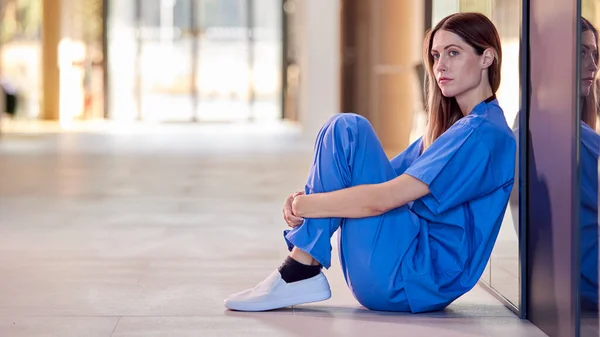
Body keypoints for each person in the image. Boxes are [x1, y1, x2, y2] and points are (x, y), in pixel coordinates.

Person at [224, 12, 516, 313]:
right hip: (400, 272)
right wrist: (311, 201)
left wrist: (304, 206)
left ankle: (300, 269)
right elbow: (371, 179)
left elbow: (382, 199)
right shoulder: (456, 130)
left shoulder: (481, 135)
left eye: (453, 53)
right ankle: (300, 268)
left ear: (487, 58)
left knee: (348, 128)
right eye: (436, 55)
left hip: (410, 277)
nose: (439, 65)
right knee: (343, 132)